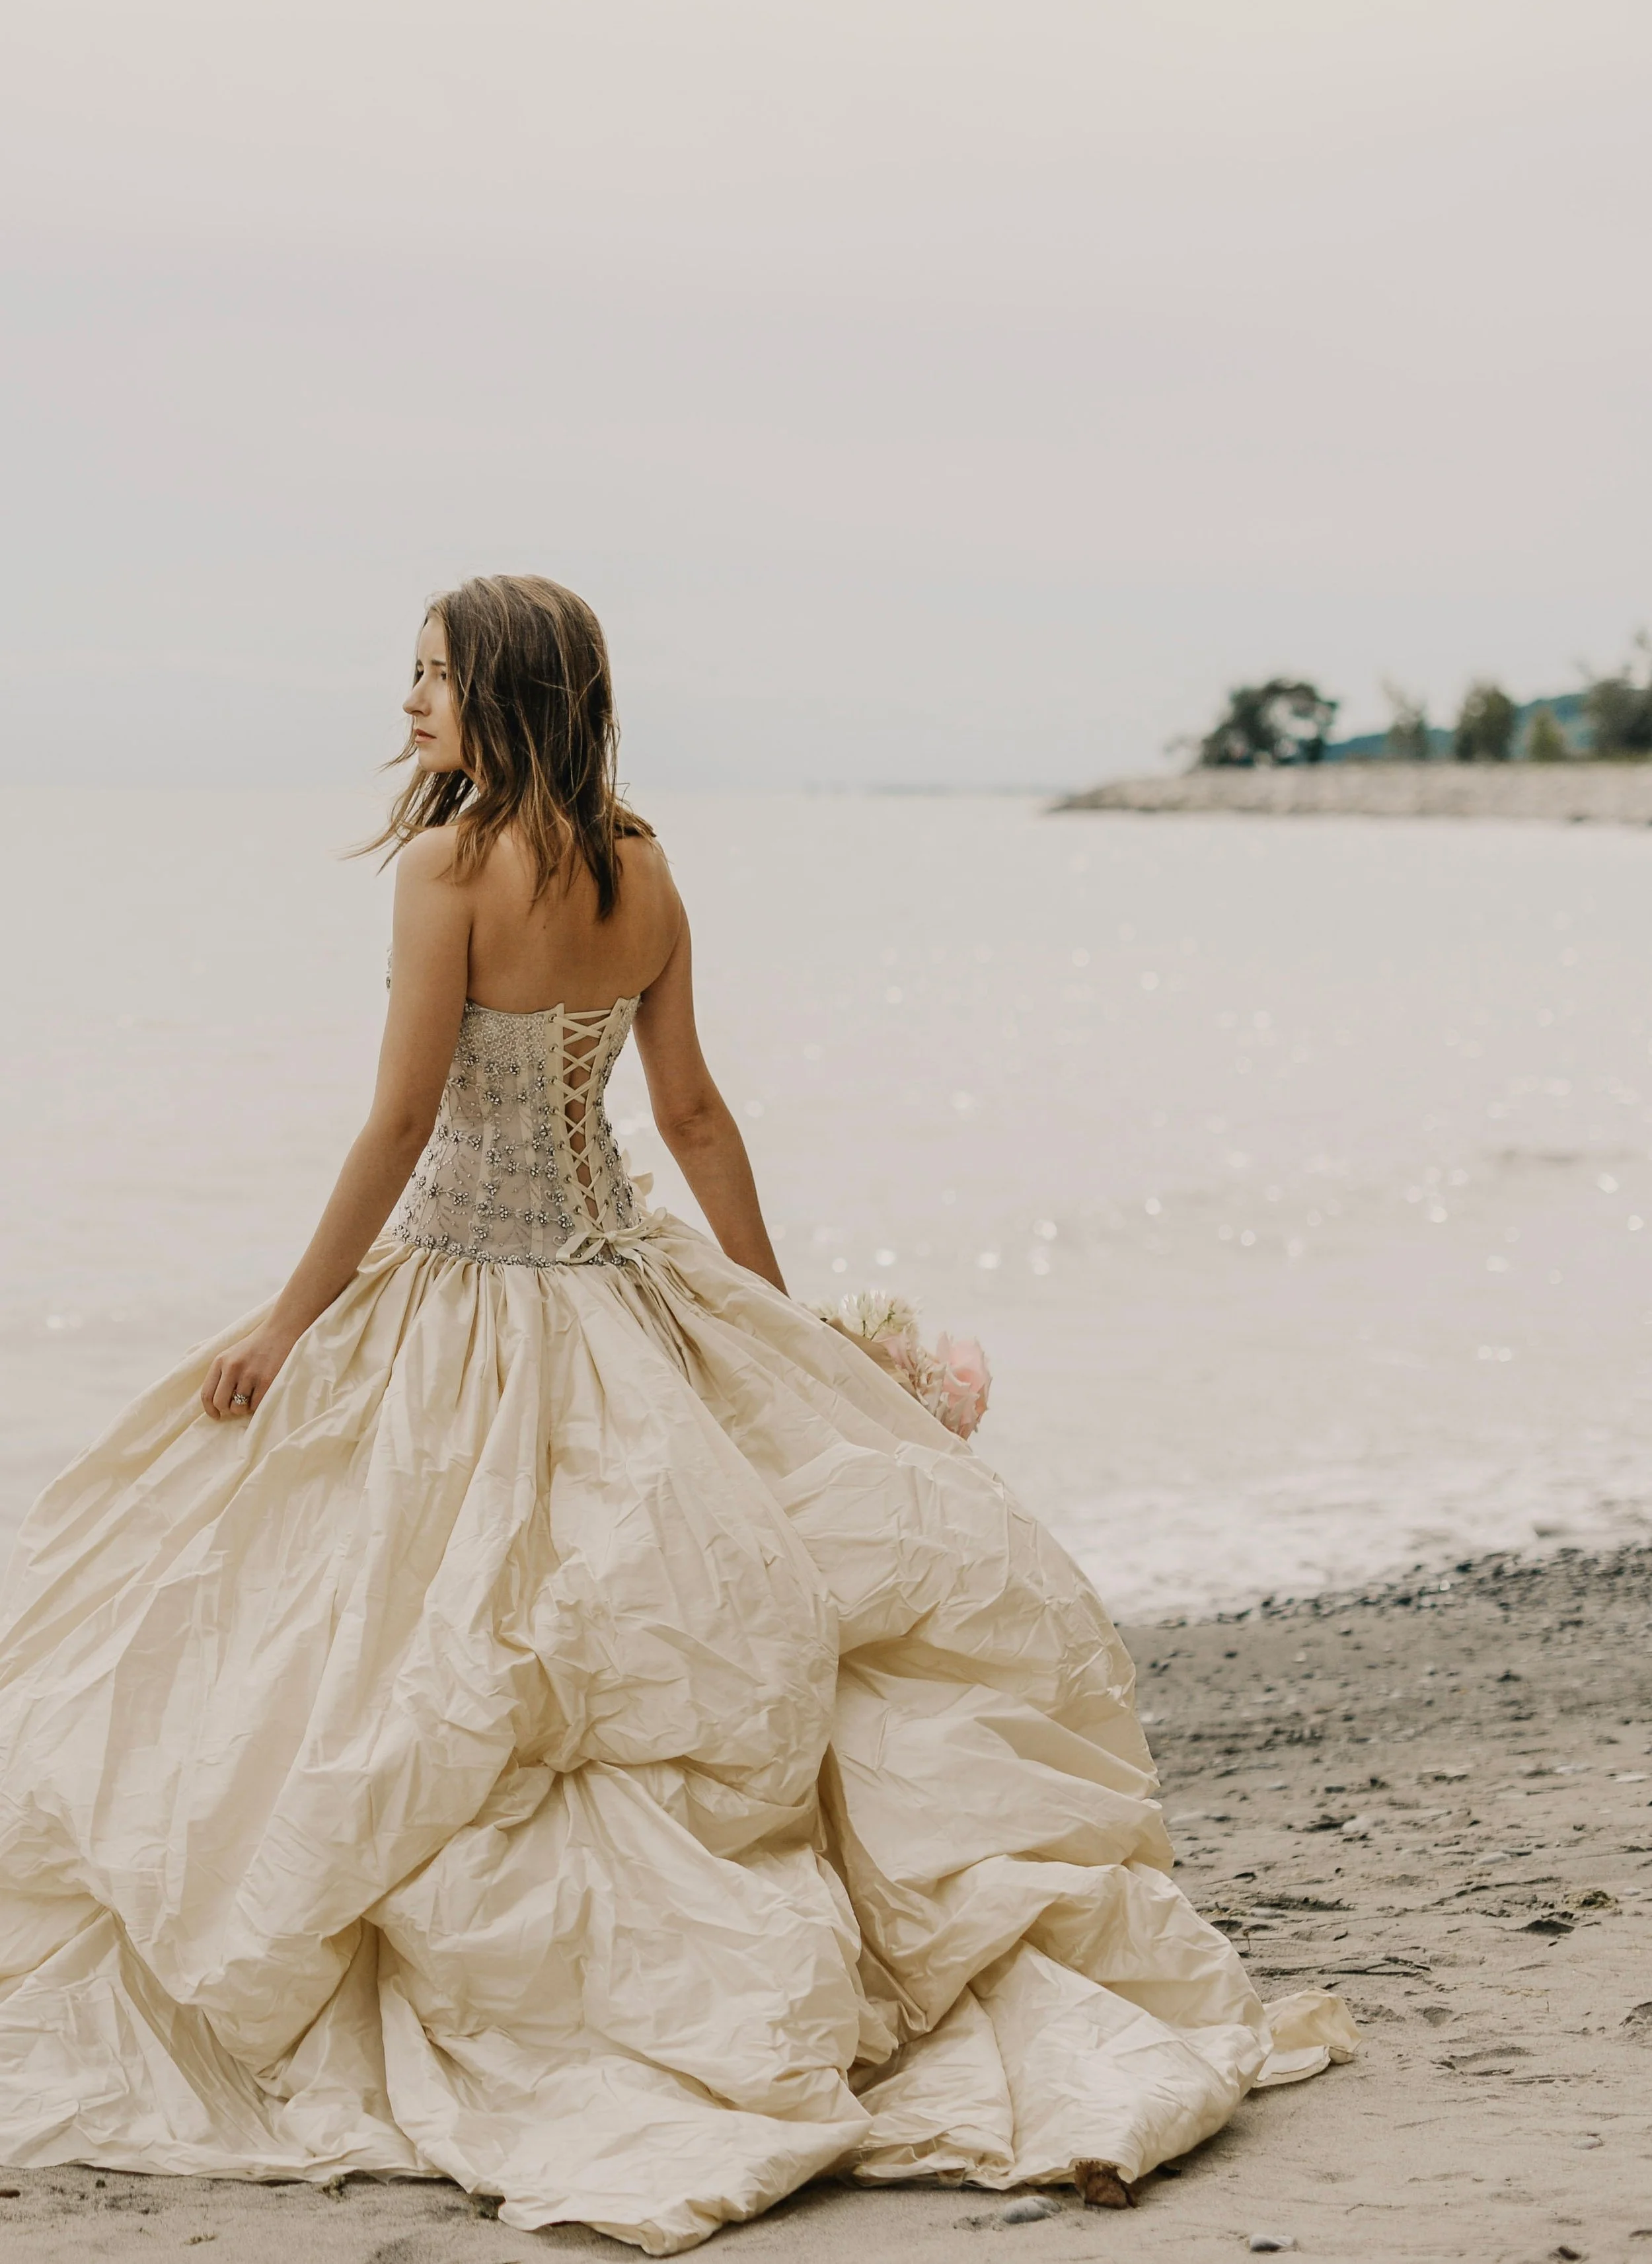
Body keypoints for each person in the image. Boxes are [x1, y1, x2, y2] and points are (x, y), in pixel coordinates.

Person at [0, 576, 1351, 2253]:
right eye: (408, 674)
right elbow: (695, 1114)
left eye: (432, 676)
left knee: (384, 1636)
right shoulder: (642, 867)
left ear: (506, 693)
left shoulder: (445, 866)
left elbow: (403, 1117)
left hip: (471, 1292)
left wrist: (292, 1321)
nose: (406, 702)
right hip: (621, 1279)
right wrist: (782, 1330)